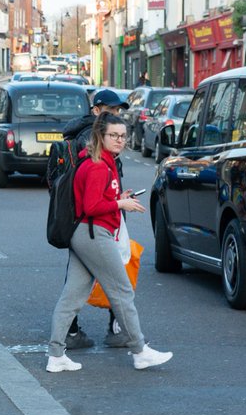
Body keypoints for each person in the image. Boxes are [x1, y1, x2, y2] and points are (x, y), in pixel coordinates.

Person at [46, 112, 172, 373]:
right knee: (122, 292)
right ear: (100, 136)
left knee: (72, 297)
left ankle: (56, 356)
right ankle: (139, 351)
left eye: (123, 136)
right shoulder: (97, 166)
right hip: (93, 233)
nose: (119, 140)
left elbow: (95, 198)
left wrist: (118, 196)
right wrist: (120, 203)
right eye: (113, 135)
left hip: (84, 233)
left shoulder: (103, 162)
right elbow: (92, 207)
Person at [55, 89, 131, 350]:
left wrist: (119, 195)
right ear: (96, 111)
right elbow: (92, 196)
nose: (116, 116)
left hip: (89, 221)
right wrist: (119, 202)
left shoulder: (91, 133)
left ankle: (69, 336)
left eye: (118, 111)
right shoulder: (92, 137)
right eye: (111, 111)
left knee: (79, 283)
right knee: (116, 276)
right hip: (93, 223)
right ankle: (124, 333)